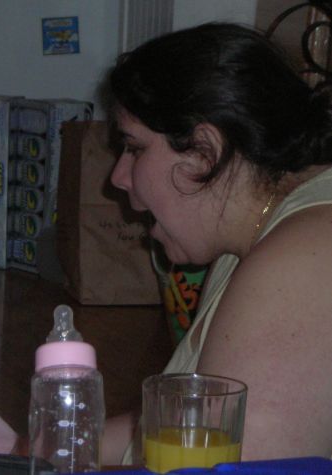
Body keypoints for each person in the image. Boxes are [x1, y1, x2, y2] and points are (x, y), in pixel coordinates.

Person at [103, 22, 332, 465]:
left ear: (205, 151)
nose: (118, 177)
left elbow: (245, 468)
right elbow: (190, 426)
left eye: (134, 148)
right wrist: (31, 447)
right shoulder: (257, 234)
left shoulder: (298, 264)